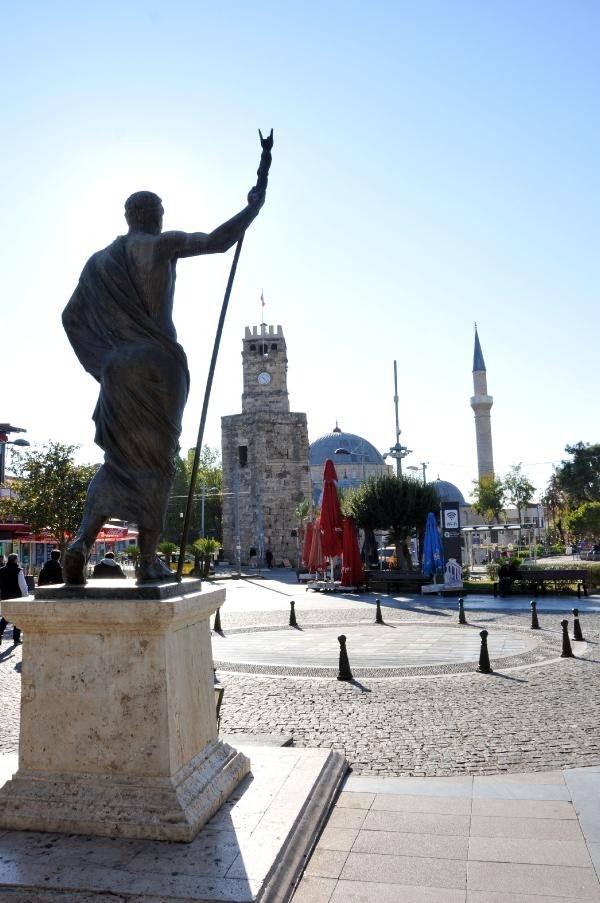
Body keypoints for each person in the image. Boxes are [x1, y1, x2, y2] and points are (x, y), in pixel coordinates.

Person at [61, 135, 271, 586]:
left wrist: (102, 364)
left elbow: (69, 318)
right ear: (153, 215)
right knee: (159, 462)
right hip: (159, 366)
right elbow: (217, 241)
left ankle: (82, 540)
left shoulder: (97, 263)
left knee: (117, 462)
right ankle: (148, 560)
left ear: (127, 216)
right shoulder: (160, 245)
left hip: (117, 370)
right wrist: (252, 208)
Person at [0, 553, 28, 644]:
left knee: (5, 617)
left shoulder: (1, 570)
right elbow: (22, 585)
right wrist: (26, 596)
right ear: (15, 560)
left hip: (5, 597)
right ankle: (16, 639)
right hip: (17, 597)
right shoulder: (18, 571)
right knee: (18, 617)